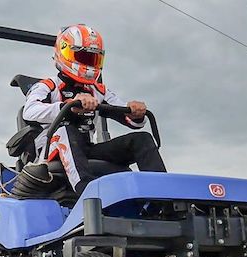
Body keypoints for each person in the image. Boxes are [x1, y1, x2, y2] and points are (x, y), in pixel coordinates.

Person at [22, 24, 166, 195]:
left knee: (142, 139)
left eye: (92, 59)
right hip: (49, 151)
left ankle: (161, 196)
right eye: (83, 56)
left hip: (86, 149)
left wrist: (135, 112)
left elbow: (128, 118)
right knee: (66, 132)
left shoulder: (98, 90)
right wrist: (68, 106)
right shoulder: (48, 85)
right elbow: (29, 111)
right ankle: (88, 193)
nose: (88, 63)